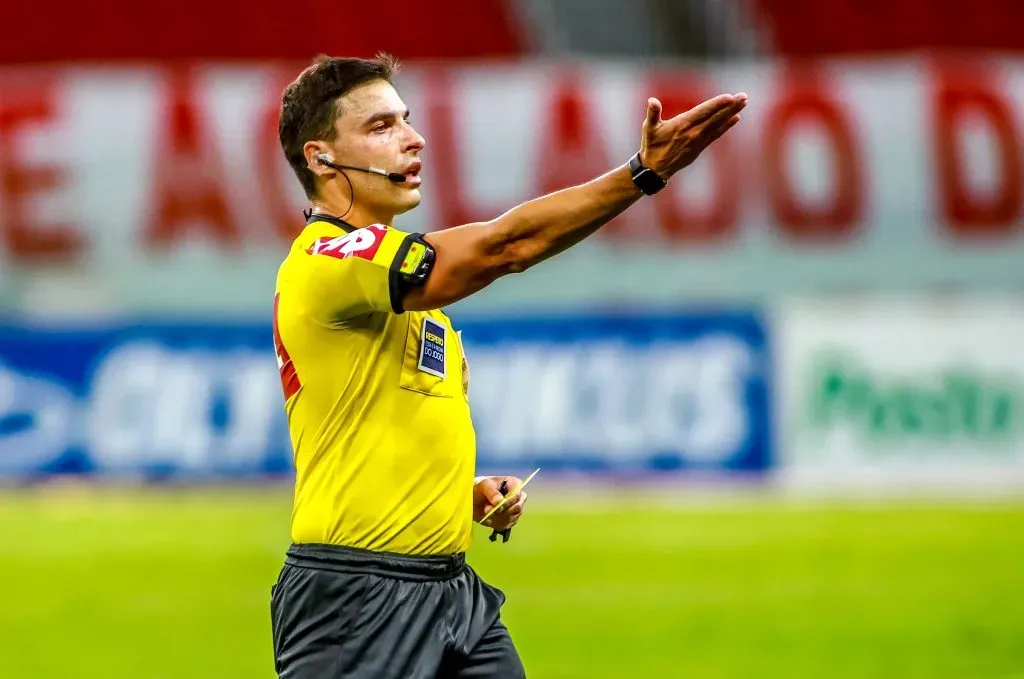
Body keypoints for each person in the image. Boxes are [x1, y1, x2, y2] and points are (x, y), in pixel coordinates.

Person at [269, 52, 747, 679]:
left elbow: (377, 431)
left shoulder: (418, 308)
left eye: (406, 120)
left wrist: (462, 495)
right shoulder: (327, 260)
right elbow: (505, 245)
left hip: (449, 590)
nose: (414, 139)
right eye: (381, 127)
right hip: (356, 600)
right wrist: (640, 174)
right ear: (322, 156)